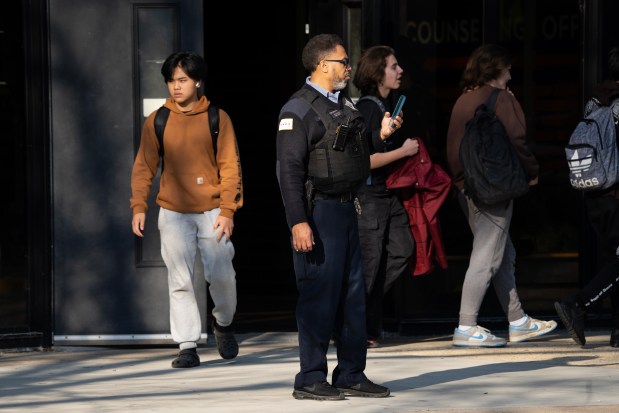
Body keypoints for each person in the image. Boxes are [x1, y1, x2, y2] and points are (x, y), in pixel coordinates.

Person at [275, 34, 400, 401]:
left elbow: (355, 153)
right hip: (319, 213)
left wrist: (381, 135)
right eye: (344, 61)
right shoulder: (297, 110)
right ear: (323, 65)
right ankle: (310, 378)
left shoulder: (344, 105)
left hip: (349, 209)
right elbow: (288, 170)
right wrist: (299, 221)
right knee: (318, 295)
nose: (349, 67)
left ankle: (350, 373)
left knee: (353, 297)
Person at [130, 51, 243, 367]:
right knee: (179, 279)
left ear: (198, 82)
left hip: (212, 211)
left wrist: (227, 211)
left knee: (223, 276)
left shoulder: (217, 118)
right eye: (170, 80)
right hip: (173, 212)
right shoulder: (158, 120)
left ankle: (222, 323)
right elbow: (143, 167)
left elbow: (230, 166)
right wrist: (139, 206)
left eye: (181, 80)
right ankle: (187, 345)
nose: (175, 86)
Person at [445, 44, 557, 347]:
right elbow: (518, 142)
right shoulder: (503, 99)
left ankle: (518, 320)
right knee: (486, 258)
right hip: (494, 190)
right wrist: (531, 173)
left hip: (468, 188)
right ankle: (466, 326)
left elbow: (452, 150)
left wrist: (462, 183)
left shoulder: (462, 101)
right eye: (507, 68)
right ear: (495, 70)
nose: (510, 73)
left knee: (503, 254)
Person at [352, 45, 419, 348]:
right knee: (370, 263)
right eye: (393, 66)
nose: (400, 70)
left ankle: (366, 321)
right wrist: (402, 152)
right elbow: (363, 161)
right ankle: (356, 329)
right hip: (369, 195)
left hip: (384, 194)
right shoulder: (368, 108)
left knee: (401, 250)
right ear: (378, 72)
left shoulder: (382, 106)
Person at [555, 46, 619, 347]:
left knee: (613, 261)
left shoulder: (596, 101)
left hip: (595, 193)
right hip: (617, 194)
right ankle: (577, 306)